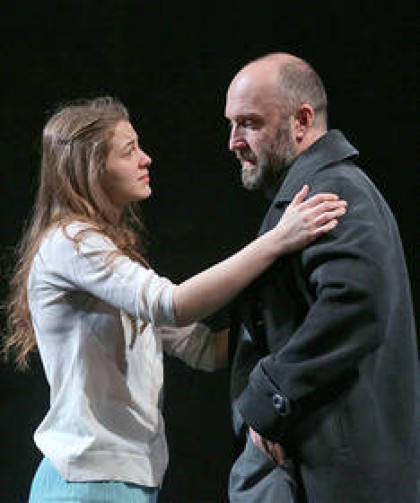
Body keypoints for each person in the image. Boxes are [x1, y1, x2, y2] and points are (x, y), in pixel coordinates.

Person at [2, 97, 346, 503]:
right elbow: (172, 304)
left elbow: (206, 349)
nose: (145, 159)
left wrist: (304, 321)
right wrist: (278, 240)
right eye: (129, 151)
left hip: (125, 480)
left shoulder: (106, 257)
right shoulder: (71, 243)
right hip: (87, 483)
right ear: (90, 168)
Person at [225, 53, 418, 503]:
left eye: (249, 123)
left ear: (302, 121)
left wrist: (271, 396)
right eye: (231, 124)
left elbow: (356, 304)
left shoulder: (334, 189)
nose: (234, 141)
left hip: (340, 477)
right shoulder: (314, 189)